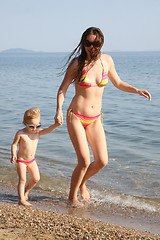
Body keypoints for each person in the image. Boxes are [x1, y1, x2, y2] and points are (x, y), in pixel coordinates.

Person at [55, 27, 151, 206]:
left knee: (102, 161)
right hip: (75, 116)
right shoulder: (77, 64)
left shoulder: (106, 60)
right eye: (88, 43)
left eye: (96, 43)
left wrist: (136, 90)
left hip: (95, 118)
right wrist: (59, 110)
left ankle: (82, 183)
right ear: (83, 44)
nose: (92, 47)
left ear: (101, 43)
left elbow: (118, 82)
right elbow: (62, 89)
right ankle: (72, 198)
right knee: (84, 161)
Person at [11, 108, 60, 206]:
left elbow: (48, 130)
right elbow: (14, 145)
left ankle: (26, 191)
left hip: (32, 160)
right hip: (21, 160)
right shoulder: (21, 133)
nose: (34, 128)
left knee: (36, 178)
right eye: (31, 126)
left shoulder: (38, 132)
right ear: (25, 123)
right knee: (22, 179)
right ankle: (21, 200)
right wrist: (13, 154)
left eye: (38, 126)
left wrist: (56, 125)